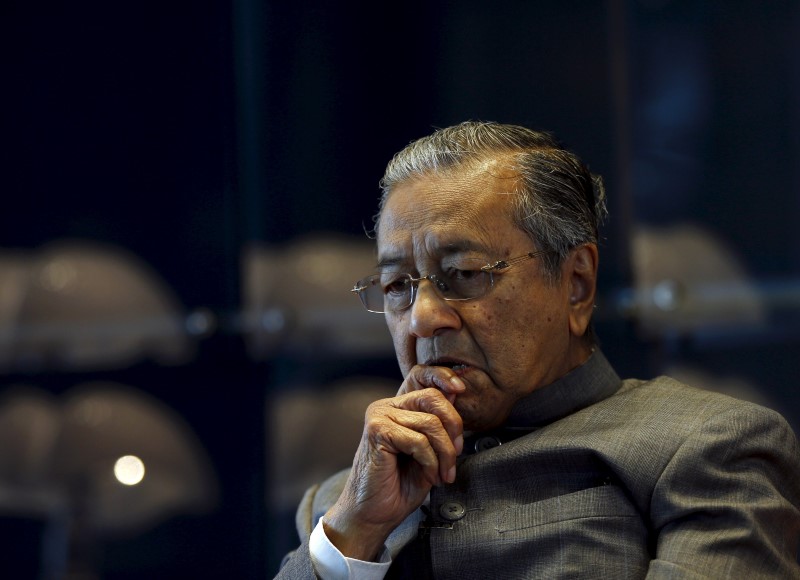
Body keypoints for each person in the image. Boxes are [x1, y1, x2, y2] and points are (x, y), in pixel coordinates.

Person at [275, 121, 800, 578]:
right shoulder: (342, 504)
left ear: (576, 283)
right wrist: (353, 530)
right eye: (397, 287)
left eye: (464, 275)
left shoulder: (704, 446)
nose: (422, 318)